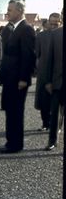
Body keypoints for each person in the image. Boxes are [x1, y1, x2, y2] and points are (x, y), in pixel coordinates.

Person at [0, 0, 36, 154]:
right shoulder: (8, 29)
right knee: (9, 109)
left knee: (16, 111)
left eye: (10, 10)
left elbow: (28, 56)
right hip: (8, 78)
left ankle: (15, 144)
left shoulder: (27, 29)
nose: (7, 12)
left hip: (19, 80)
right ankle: (10, 141)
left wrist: (24, 79)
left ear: (20, 11)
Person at [34, 12, 61, 131]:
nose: (54, 26)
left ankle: (57, 126)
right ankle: (45, 123)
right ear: (48, 23)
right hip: (44, 71)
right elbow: (37, 55)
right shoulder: (41, 36)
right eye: (52, 23)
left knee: (58, 102)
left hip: (59, 73)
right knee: (44, 100)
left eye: (56, 23)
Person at [44, 11, 63, 150]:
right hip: (58, 80)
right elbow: (49, 60)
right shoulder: (56, 34)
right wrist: (48, 81)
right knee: (54, 111)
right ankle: (52, 140)